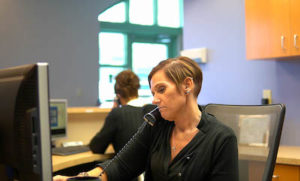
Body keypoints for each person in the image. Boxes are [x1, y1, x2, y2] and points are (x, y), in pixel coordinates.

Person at [54, 56, 239, 181]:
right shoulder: (156, 123)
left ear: (187, 85)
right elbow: (120, 166)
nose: (154, 99)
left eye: (161, 89)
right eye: (152, 92)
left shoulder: (222, 138)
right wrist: (79, 179)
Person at [89, 69, 152, 154]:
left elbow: (96, 147)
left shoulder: (117, 114)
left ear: (118, 96)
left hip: (127, 166)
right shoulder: (151, 111)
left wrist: (114, 110)